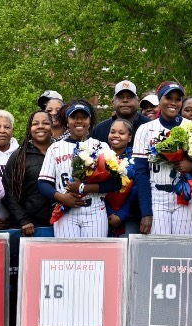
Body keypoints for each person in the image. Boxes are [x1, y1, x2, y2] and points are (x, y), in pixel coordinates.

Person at [138, 82, 192, 235]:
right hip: (157, 195)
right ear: (160, 100)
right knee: (160, 251)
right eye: (169, 98)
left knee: (182, 250)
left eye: (178, 99)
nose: (173, 103)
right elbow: (141, 173)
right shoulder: (145, 129)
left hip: (184, 195)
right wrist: (146, 212)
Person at [42, 101, 128, 238]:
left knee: (94, 258)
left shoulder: (101, 146)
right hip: (66, 210)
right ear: (67, 121)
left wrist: (83, 188)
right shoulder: (55, 148)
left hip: (95, 209)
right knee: (67, 258)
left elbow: (116, 183)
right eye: (74, 117)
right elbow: (43, 183)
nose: (79, 121)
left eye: (84, 117)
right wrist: (62, 198)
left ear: (90, 121)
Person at [2, 110, 57, 237]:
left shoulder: (61, 151)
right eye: (35, 123)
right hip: (31, 226)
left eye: (45, 123)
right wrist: (23, 220)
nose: (40, 126)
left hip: (63, 222)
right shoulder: (19, 156)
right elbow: (8, 190)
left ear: (52, 127)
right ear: (29, 128)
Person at [105, 117, 142, 236]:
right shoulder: (99, 156)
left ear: (130, 137)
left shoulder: (136, 158)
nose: (116, 135)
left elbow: (136, 188)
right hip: (104, 214)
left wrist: (122, 214)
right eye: (112, 132)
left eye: (121, 133)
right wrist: (109, 212)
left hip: (129, 215)